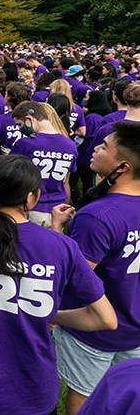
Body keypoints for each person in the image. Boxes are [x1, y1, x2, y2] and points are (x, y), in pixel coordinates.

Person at [0, 155, 117, 415]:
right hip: (36, 383)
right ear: (31, 198)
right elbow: (107, 319)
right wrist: (53, 315)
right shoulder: (63, 247)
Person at [54, 121, 140, 415]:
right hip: (133, 321)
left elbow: (72, 277)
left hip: (93, 329)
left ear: (123, 167)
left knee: (87, 397)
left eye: (104, 147)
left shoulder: (98, 217)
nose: (94, 149)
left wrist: (56, 233)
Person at [10, 101, 77, 228]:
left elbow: (11, 175)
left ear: (29, 119)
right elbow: (65, 181)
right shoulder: (70, 145)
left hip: (31, 205)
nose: (20, 129)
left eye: (20, 124)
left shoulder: (25, 144)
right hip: (57, 207)